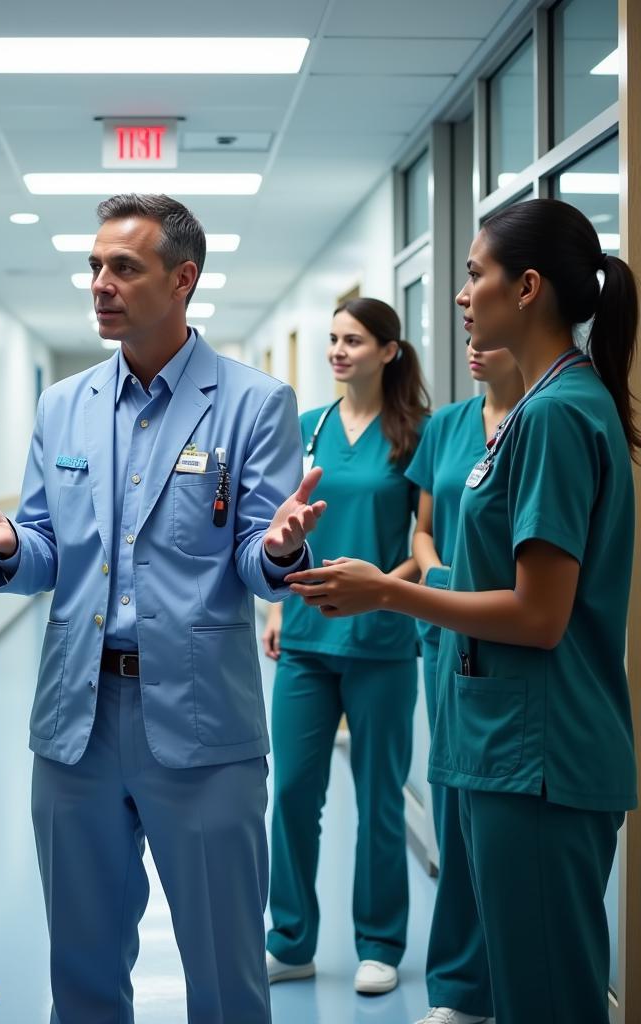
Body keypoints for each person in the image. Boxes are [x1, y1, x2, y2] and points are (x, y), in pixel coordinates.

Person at [0, 193, 325, 1024]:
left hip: (202, 728)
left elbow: (259, 562)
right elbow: (46, 551)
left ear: (183, 279)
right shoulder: (64, 406)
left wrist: (285, 547)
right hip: (76, 724)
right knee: (80, 972)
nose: (100, 284)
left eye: (124, 267)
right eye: (94, 266)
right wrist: (8, 542)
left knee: (225, 975)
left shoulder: (253, 404)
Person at [289, 198, 638, 1024]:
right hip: (506, 738)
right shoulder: (536, 410)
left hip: (541, 751)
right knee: (524, 989)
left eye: (474, 274)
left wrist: (389, 589)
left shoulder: (554, 416)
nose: (460, 292)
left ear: (526, 288)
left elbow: (540, 615)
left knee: (549, 997)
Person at [263, 298, 429, 996]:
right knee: (294, 792)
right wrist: (272, 606)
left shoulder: (417, 435)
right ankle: (291, 939)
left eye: (353, 340)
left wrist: (380, 589)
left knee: (379, 798)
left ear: (389, 350)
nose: (337, 351)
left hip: (383, 639)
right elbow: (279, 531)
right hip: (305, 637)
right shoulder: (308, 429)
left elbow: (426, 547)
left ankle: (381, 943)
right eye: (331, 339)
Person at [405, 336, 524, 1024]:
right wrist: (440, 572)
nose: (474, 349)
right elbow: (422, 531)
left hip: (505, 628)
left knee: (495, 817)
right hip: (445, 628)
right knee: (451, 800)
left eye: (491, 339)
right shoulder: (447, 425)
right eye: (469, 341)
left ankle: (501, 981)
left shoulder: (540, 419)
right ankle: (459, 987)